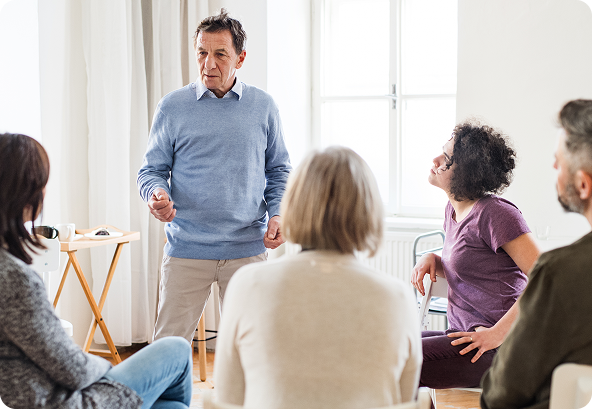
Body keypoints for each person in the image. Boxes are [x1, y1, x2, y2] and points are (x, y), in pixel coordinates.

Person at [213, 146, 422, 409]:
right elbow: (402, 399)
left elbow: (227, 398)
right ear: (369, 210)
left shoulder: (248, 285)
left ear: (295, 204)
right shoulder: (398, 297)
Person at [0, 133, 193, 409]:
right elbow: (73, 369)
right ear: (27, 194)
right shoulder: (13, 278)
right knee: (176, 348)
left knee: (172, 407)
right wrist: (108, 371)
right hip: (51, 401)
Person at [137, 9, 291, 343]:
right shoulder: (172, 107)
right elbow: (151, 171)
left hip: (247, 249)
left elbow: (279, 169)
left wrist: (277, 213)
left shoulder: (264, 106)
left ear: (241, 57)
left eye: (220, 54)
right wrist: (156, 195)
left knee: (253, 348)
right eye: (202, 53)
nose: (209, 64)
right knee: (167, 350)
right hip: (186, 248)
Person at [410, 122, 540, 389]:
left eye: (446, 158)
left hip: (498, 349)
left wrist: (496, 335)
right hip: (462, 337)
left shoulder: (496, 213)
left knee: (397, 359)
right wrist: (435, 260)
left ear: (466, 172)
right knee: (395, 343)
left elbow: (546, 276)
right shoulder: (453, 211)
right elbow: (473, 267)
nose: (435, 160)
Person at [481, 99, 592, 409]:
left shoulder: (561, 273)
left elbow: (500, 395)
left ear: (583, 185)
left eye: (559, 160)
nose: (554, 166)